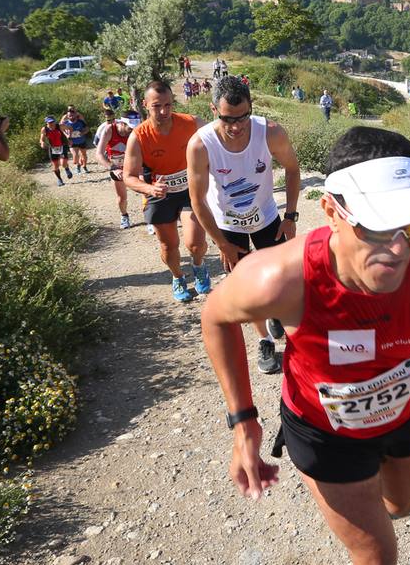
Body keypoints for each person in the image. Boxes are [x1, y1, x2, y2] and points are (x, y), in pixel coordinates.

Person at [199, 127, 410, 565]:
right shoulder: (279, 278)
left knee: (400, 505)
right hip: (324, 434)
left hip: (404, 416)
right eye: (377, 226)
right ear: (332, 212)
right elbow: (215, 317)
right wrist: (242, 421)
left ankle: (370, 498)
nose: (398, 248)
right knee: (379, 563)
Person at [187, 76, 302, 375]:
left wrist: (290, 216)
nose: (236, 126)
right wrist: (220, 243)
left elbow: (292, 168)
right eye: (227, 119)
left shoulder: (271, 132)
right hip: (227, 225)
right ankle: (264, 340)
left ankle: (279, 317)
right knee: (247, 285)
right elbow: (197, 200)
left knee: (281, 278)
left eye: (243, 117)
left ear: (251, 107)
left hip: (266, 217)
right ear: (213, 109)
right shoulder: (201, 145)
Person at [122, 81, 212, 302]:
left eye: (168, 105)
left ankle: (199, 267)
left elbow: (218, 135)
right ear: (144, 104)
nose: (163, 111)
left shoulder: (191, 123)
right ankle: (177, 277)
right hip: (160, 194)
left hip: (190, 190)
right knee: (169, 245)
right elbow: (128, 177)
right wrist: (149, 188)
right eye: (156, 106)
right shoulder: (139, 136)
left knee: (195, 243)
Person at [96, 115, 135, 229]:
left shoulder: (136, 130)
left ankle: (150, 220)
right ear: (122, 123)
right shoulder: (109, 130)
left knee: (147, 192)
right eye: (130, 127)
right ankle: (124, 216)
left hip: (133, 165)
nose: (132, 130)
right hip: (116, 167)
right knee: (122, 198)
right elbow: (98, 154)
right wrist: (113, 168)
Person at [40, 117, 72, 186]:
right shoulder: (44, 129)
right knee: (56, 166)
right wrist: (42, 143)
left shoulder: (60, 126)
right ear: (46, 123)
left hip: (62, 146)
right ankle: (59, 179)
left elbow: (70, 128)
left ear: (55, 121)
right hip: (52, 148)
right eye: (49, 122)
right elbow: (41, 139)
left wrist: (69, 137)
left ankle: (66, 168)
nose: (51, 124)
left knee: (63, 163)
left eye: (52, 122)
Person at [61, 106, 90, 174]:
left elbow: (87, 129)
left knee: (84, 155)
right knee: (75, 158)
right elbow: (61, 129)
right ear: (67, 116)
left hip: (81, 141)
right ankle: (78, 164)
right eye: (69, 115)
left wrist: (82, 133)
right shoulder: (65, 123)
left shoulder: (80, 122)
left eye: (72, 115)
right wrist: (66, 135)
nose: (71, 116)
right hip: (72, 142)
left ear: (75, 115)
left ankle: (84, 166)